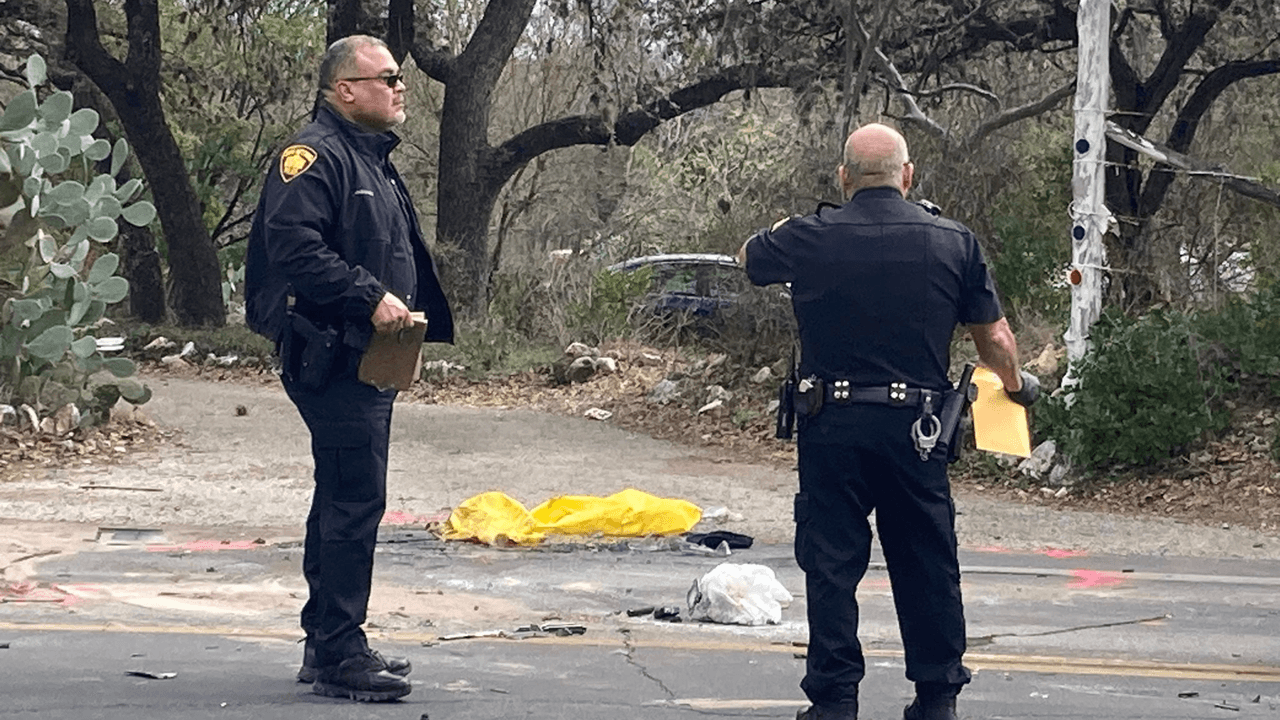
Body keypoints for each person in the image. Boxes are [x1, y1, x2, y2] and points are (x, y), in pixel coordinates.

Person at [737, 123, 1038, 720]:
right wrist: (1014, 385)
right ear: (908, 175)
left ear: (843, 178)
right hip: (917, 433)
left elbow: (748, 257)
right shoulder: (953, 240)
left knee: (831, 566)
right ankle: (936, 698)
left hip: (831, 427)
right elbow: (996, 340)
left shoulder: (808, 237)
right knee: (927, 564)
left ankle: (835, 702)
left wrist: (790, 227)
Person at [245, 34, 454, 702]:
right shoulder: (313, 157)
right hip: (330, 353)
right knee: (354, 496)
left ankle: (327, 641)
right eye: (387, 77)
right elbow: (294, 249)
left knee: (344, 491)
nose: (400, 86)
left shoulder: (369, 158)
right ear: (345, 90)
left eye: (398, 77)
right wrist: (369, 297)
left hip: (366, 357)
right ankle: (339, 652)